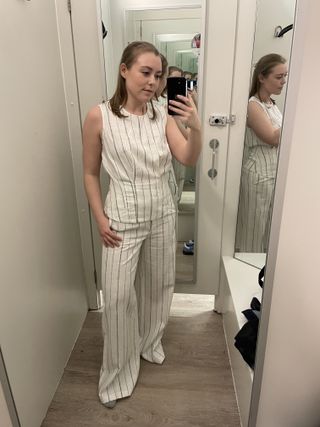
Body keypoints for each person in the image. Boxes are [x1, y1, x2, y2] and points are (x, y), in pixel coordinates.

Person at [82, 41, 201, 408]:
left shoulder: (163, 113)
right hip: (120, 219)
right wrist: (100, 218)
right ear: (124, 70)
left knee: (158, 284)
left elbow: (186, 156)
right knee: (117, 298)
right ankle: (118, 372)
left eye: (158, 74)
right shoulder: (99, 116)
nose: (153, 81)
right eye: (145, 72)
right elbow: (89, 172)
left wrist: (195, 127)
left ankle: (149, 342)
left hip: (162, 213)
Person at [235, 53, 287, 253]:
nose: (283, 82)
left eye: (285, 76)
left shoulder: (272, 105)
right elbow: (272, 138)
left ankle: (261, 276)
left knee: (269, 230)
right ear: (262, 77)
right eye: (278, 77)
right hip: (258, 174)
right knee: (253, 230)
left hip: (274, 171)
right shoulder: (252, 105)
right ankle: (247, 272)